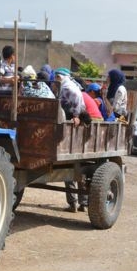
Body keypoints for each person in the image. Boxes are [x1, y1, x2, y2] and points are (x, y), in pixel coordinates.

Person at [54, 67, 90, 212]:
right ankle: (82, 203)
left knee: (70, 168)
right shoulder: (69, 85)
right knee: (76, 168)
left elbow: (76, 100)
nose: (55, 80)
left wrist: (76, 115)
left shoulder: (67, 86)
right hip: (76, 128)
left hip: (73, 127)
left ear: (59, 77)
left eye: (56, 77)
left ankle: (74, 203)